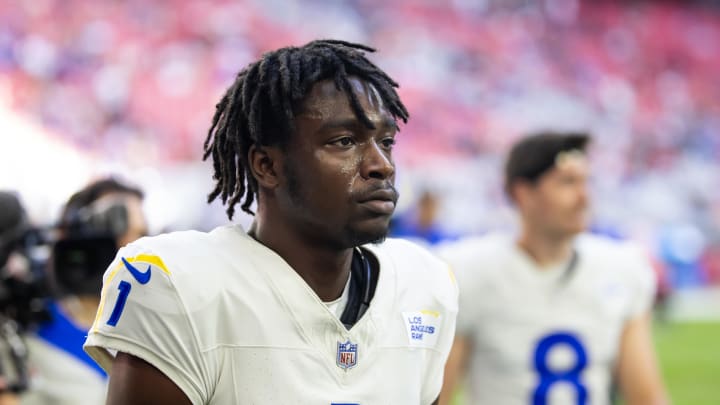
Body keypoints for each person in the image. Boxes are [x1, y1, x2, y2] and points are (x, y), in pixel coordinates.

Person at [83, 39, 458, 404]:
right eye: (345, 141)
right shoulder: (179, 285)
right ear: (267, 166)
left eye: (387, 141)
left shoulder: (423, 283)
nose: (382, 165)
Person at [437, 132, 668, 405]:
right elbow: (439, 394)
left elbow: (646, 397)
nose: (584, 198)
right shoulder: (470, 272)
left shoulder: (621, 268)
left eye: (586, 182)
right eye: (567, 183)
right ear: (523, 193)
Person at [21, 178, 148, 405]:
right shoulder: (26, 331)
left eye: (141, 234)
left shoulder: (153, 329)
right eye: (114, 226)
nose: (131, 246)